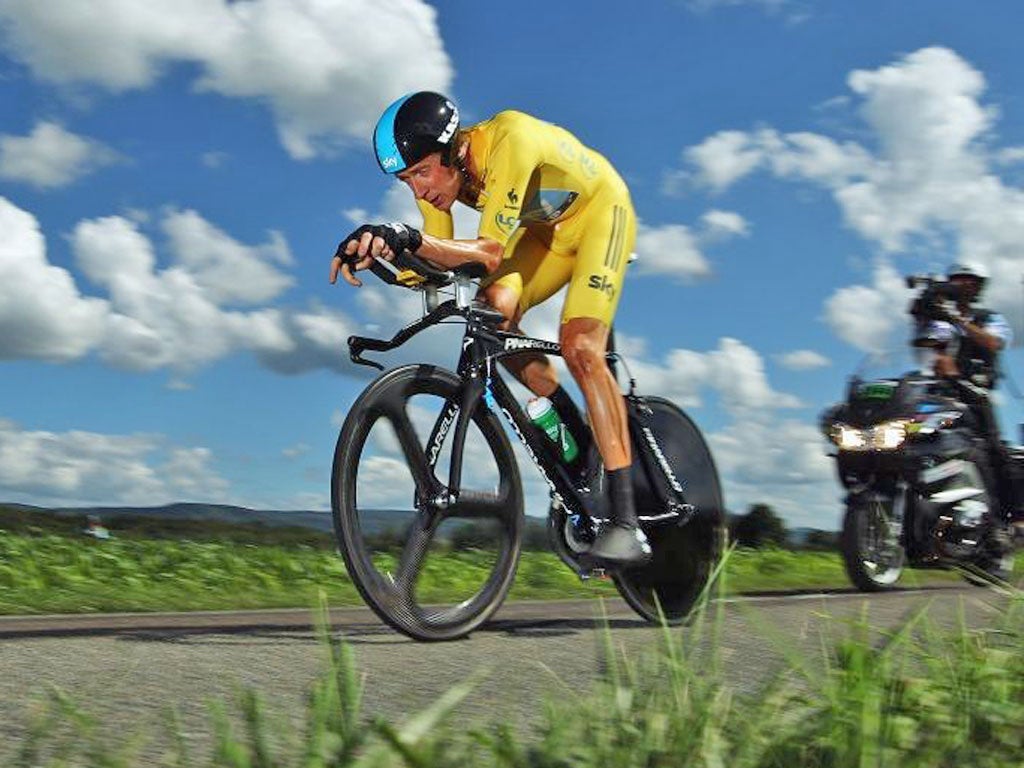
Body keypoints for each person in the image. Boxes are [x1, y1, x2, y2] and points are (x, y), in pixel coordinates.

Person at [329, 91, 650, 565]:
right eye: (406, 180)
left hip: (603, 213)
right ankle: (578, 443)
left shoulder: (510, 141)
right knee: (493, 314)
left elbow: (488, 253)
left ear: (452, 149)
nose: (418, 191)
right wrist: (379, 247)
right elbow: (434, 259)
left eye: (421, 172)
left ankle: (627, 524)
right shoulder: (439, 186)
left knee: (581, 346)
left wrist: (407, 237)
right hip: (546, 235)